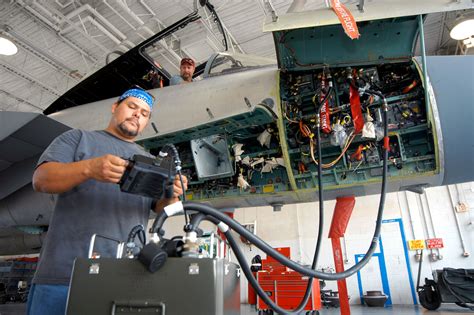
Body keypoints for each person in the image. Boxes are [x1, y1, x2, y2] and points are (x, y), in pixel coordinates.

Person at [27, 88, 187, 315]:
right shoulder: (78, 139)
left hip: (126, 276)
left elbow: (161, 209)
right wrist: (89, 168)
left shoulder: (151, 161)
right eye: (131, 106)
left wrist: (172, 194)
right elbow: (41, 180)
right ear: (115, 107)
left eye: (144, 113)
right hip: (65, 276)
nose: (137, 115)